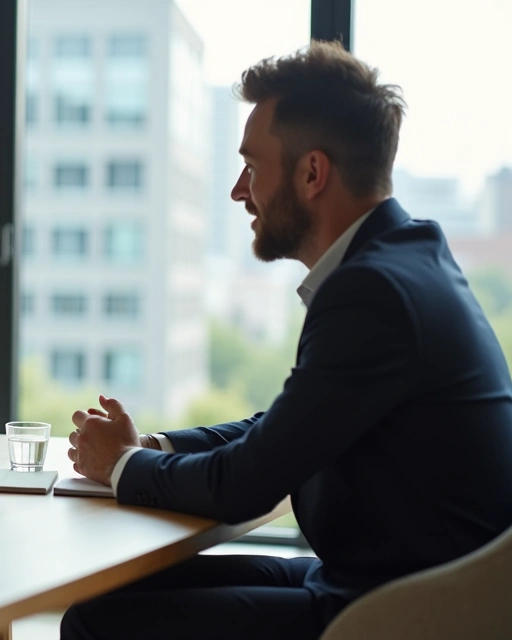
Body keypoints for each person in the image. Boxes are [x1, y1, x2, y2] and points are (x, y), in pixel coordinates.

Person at [61, 41, 512, 640]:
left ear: (312, 173)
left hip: (402, 612)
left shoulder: (373, 291)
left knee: (101, 625)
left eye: (251, 166)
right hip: (378, 581)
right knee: (104, 598)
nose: (238, 191)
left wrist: (121, 465)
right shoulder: (402, 260)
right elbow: (281, 428)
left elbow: (246, 483)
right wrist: (152, 445)